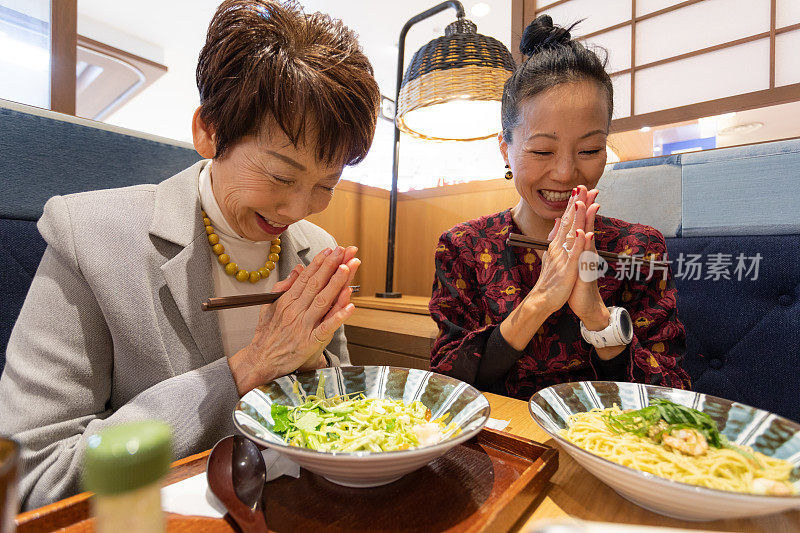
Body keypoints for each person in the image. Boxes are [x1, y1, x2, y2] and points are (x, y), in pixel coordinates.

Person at [0, 0, 380, 509]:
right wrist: (248, 368)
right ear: (210, 131)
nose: (298, 208)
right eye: (281, 176)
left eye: (325, 185)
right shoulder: (88, 237)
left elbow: (339, 418)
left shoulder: (319, 251)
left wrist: (315, 362)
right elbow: (31, 472)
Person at [429, 15, 691, 400]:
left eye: (589, 150)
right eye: (542, 150)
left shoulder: (638, 249)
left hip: (602, 449)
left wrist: (599, 320)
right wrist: (538, 302)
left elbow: (673, 394)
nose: (567, 173)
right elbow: (443, 385)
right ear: (507, 149)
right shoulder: (465, 246)